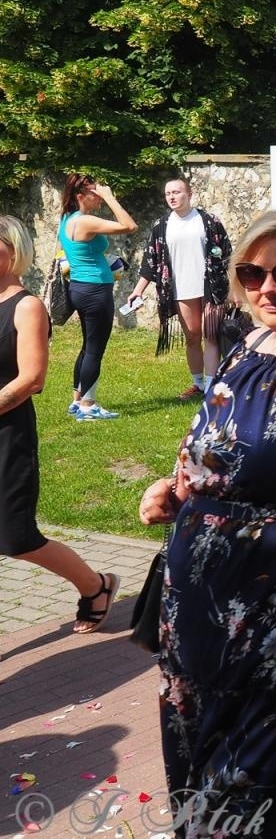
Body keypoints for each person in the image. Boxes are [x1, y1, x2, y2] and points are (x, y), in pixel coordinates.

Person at [136, 209, 276, 836]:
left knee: (264, 782)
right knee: (192, 753)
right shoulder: (248, 344)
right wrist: (172, 488)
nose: (267, 287)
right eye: (251, 272)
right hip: (196, 604)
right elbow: (215, 448)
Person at [0, 216, 121, 633]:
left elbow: (31, 379)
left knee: (16, 537)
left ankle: (96, 585)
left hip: (7, 434)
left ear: (12, 251)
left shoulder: (26, 306)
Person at [126, 178, 232, 399]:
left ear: (189, 193)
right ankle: (199, 384)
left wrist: (235, 289)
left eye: (177, 192)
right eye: (167, 193)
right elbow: (150, 262)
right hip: (180, 289)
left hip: (211, 287)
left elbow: (227, 254)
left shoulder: (209, 221)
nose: (172, 197)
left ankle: (212, 387)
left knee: (211, 334)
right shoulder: (161, 225)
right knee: (192, 337)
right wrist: (138, 290)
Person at [57, 173, 139, 420]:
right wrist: (110, 197)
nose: (100, 197)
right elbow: (130, 226)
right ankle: (88, 406)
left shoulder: (68, 219)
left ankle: (76, 401)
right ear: (80, 197)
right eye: (95, 194)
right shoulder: (84, 221)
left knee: (87, 346)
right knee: (95, 350)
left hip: (81, 288)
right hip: (95, 291)